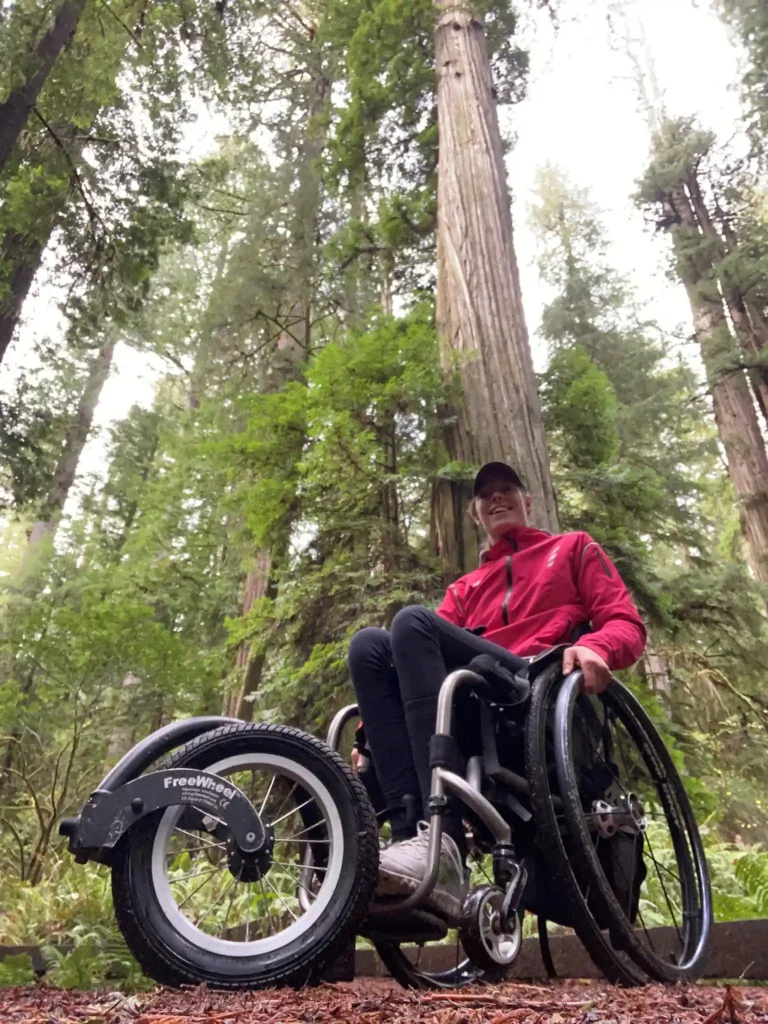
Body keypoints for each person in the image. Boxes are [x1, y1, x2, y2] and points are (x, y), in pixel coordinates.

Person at [347, 461, 647, 921]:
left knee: (411, 620)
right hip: (472, 699)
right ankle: (412, 839)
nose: (497, 498)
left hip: (535, 684)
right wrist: (370, 736)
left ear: (528, 501)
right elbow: (413, 661)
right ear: (475, 514)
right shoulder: (465, 589)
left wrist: (596, 646)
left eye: (507, 488)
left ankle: (445, 841)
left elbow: (626, 624)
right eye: (486, 495)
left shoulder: (572, 548)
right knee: (369, 645)